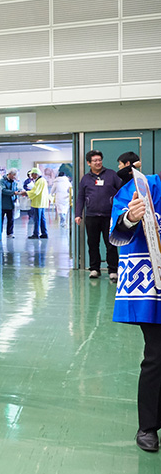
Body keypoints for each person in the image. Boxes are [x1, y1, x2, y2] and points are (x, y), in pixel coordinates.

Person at [110, 175, 161, 452]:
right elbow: (119, 229)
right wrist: (130, 216)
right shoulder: (144, 186)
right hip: (153, 285)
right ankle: (148, 426)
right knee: (157, 354)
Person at [75, 149, 122, 280]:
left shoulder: (111, 174)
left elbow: (122, 191)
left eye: (99, 160)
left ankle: (113, 270)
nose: (98, 162)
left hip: (109, 216)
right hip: (91, 216)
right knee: (92, 244)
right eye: (95, 160)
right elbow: (80, 198)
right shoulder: (85, 178)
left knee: (111, 244)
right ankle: (94, 269)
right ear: (89, 163)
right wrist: (78, 214)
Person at [25, 167, 50, 239]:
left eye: (32, 174)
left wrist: (26, 192)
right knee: (42, 218)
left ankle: (36, 234)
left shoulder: (40, 181)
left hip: (38, 203)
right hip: (41, 202)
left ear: (36, 174)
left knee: (37, 219)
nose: (31, 176)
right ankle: (44, 233)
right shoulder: (42, 180)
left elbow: (35, 192)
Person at [0, 168, 19, 238]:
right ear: (9, 174)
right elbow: (3, 190)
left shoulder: (14, 182)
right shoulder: (2, 181)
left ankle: (10, 233)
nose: (15, 177)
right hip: (3, 204)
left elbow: (16, 190)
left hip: (11, 204)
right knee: (0, 220)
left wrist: (17, 197)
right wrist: (13, 193)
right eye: (14, 176)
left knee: (11, 219)